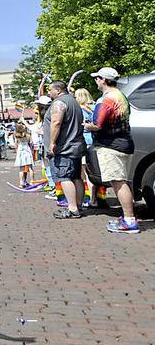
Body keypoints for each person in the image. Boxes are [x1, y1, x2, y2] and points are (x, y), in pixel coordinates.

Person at [83, 67, 140, 233]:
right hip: (125, 143)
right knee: (123, 181)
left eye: (97, 78)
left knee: (118, 183)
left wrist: (87, 126)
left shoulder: (106, 99)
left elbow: (98, 125)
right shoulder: (121, 96)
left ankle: (130, 221)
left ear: (103, 79)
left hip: (111, 146)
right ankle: (128, 217)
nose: (96, 82)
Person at [45, 81, 86, 219]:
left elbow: (56, 122)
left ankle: (73, 208)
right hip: (75, 146)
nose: (48, 92)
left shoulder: (59, 103)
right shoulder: (74, 102)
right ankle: (78, 206)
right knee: (76, 177)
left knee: (64, 177)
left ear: (58, 90)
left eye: (50, 90)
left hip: (64, 147)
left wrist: (52, 142)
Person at [14, 121, 34, 187]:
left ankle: (21, 182)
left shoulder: (16, 135)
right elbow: (31, 143)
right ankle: (32, 181)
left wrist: (16, 150)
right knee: (30, 168)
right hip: (27, 150)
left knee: (21, 168)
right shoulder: (28, 135)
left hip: (20, 151)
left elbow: (16, 144)